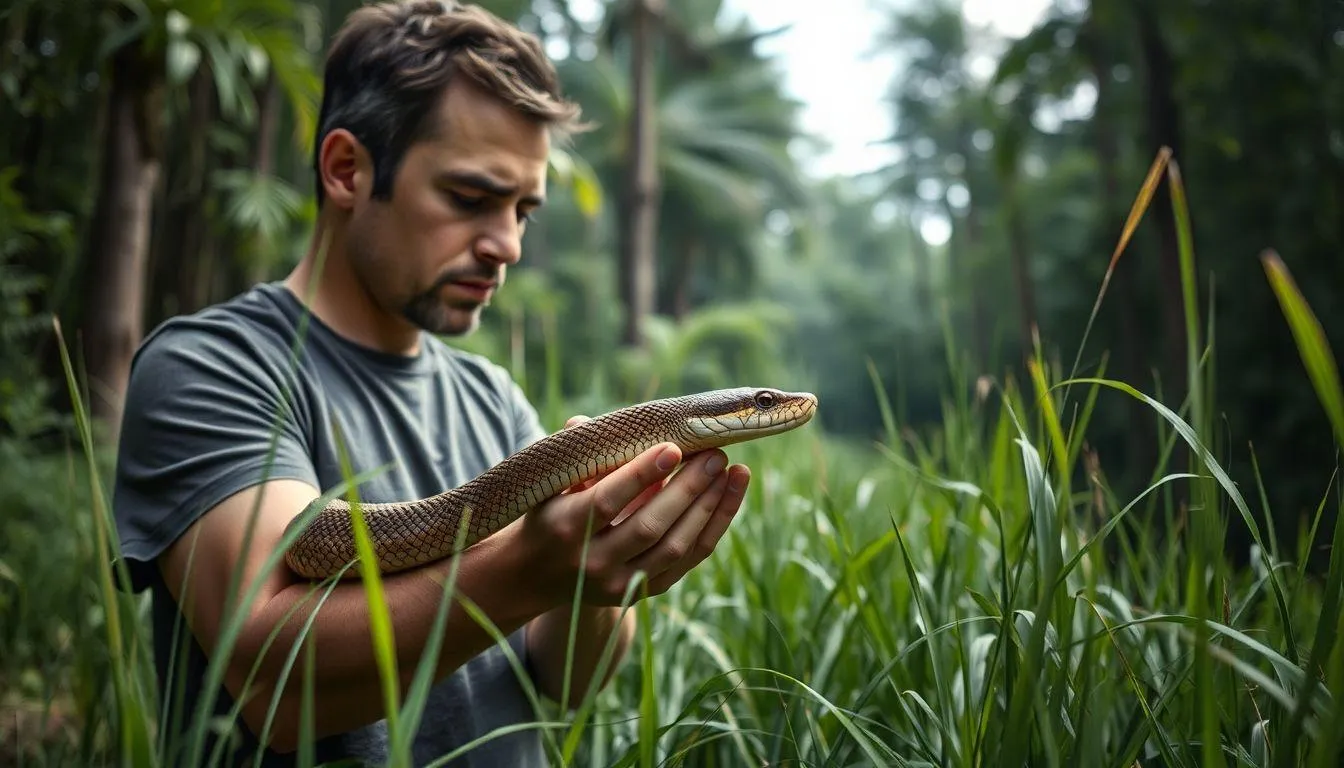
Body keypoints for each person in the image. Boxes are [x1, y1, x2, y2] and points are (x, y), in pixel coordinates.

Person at [110, 1, 752, 765]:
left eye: (524, 211)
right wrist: (528, 566)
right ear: (347, 170)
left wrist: (605, 572)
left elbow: (564, 681)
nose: (506, 244)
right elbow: (275, 685)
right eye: (471, 198)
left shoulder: (495, 399)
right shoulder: (213, 367)